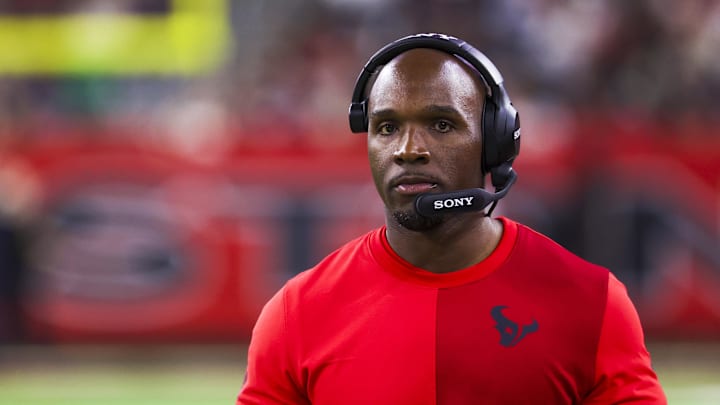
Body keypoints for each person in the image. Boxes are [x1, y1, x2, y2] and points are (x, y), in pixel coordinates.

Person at [237, 33, 666, 404]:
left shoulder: (592, 304)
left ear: (495, 142)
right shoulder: (296, 314)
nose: (408, 149)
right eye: (386, 128)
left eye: (441, 125)